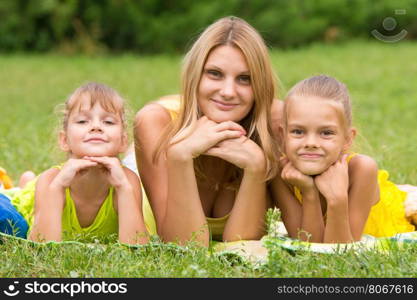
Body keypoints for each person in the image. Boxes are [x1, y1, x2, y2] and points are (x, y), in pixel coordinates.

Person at [124, 16, 284, 246]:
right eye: (215, 74)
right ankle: (181, 108)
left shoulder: (276, 123)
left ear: (260, 85)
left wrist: (257, 167)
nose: (228, 91)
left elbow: (242, 245)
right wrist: (179, 156)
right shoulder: (154, 123)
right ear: (195, 76)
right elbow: (183, 244)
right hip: (167, 132)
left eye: (244, 79)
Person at [271, 75, 417, 243]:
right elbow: (308, 244)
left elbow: (341, 250)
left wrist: (337, 199)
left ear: (347, 139)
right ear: (283, 135)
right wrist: (309, 193)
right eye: (298, 131)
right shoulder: (281, 173)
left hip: (395, 213)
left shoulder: (361, 169)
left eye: (326, 133)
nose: (310, 143)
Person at [10, 82, 149, 244]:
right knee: (26, 192)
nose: (96, 127)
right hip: (36, 197)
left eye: (108, 122)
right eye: (83, 121)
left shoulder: (128, 181)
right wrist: (58, 187)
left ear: (123, 141)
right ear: (64, 140)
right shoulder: (50, 181)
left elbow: (137, 248)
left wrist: (123, 188)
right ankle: (26, 183)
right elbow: (40, 248)